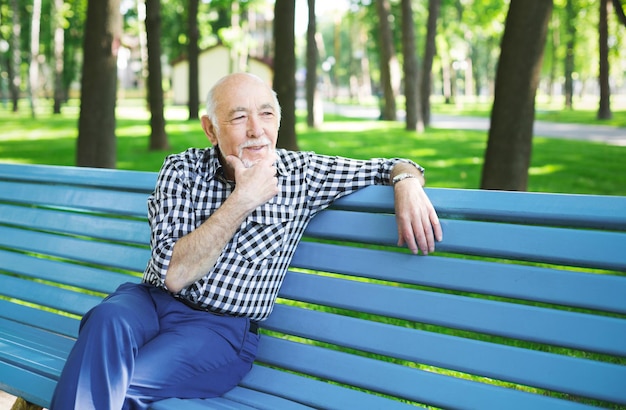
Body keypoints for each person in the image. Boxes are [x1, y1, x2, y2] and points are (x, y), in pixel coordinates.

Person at [50, 72, 442, 409]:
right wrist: (244, 199)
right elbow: (175, 274)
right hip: (148, 301)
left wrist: (406, 180)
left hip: (217, 331)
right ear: (210, 128)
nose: (256, 130)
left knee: (122, 385)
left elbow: (391, 165)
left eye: (267, 114)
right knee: (106, 319)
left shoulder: (302, 174)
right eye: (239, 117)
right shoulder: (182, 169)